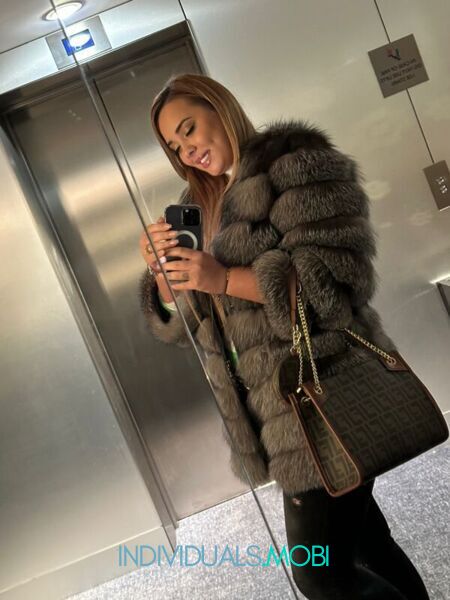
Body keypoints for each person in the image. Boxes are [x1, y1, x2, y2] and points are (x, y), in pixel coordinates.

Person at [138, 73, 430, 599]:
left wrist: (222, 277)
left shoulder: (295, 164)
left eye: (189, 129)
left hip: (319, 394)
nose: (187, 151)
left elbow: (335, 283)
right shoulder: (201, 205)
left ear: (219, 107)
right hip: (273, 410)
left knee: (319, 574)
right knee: (366, 545)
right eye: (174, 147)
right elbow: (199, 324)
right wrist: (166, 280)